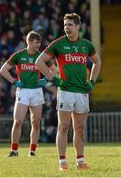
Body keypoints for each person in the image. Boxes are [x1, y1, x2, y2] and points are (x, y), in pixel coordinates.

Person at [35, 13, 101, 170]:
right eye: (65, 25)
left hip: (82, 92)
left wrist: (92, 81)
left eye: (70, 25)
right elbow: (39, 62)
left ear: (78, 26)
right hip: (65, 91)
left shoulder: (86, 45)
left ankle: (80, 161)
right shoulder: (58, 44)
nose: (67, 28)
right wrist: (54, 79)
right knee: (63, 127)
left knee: (79, 128)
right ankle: (62, 162)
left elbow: (97, 62)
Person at [0, 30, 47, 157]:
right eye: (36, 42)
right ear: (29, 42)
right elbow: (3, 70)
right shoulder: (18, 55)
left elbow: (53, 69)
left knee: (36, 122)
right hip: (23, 91)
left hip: (37, 91)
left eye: (39, 43)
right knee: (18, 121)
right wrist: (14, 81)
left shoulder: (41, 56)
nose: (38, 45)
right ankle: (14, 150)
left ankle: (32, 150)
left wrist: (47, 79)